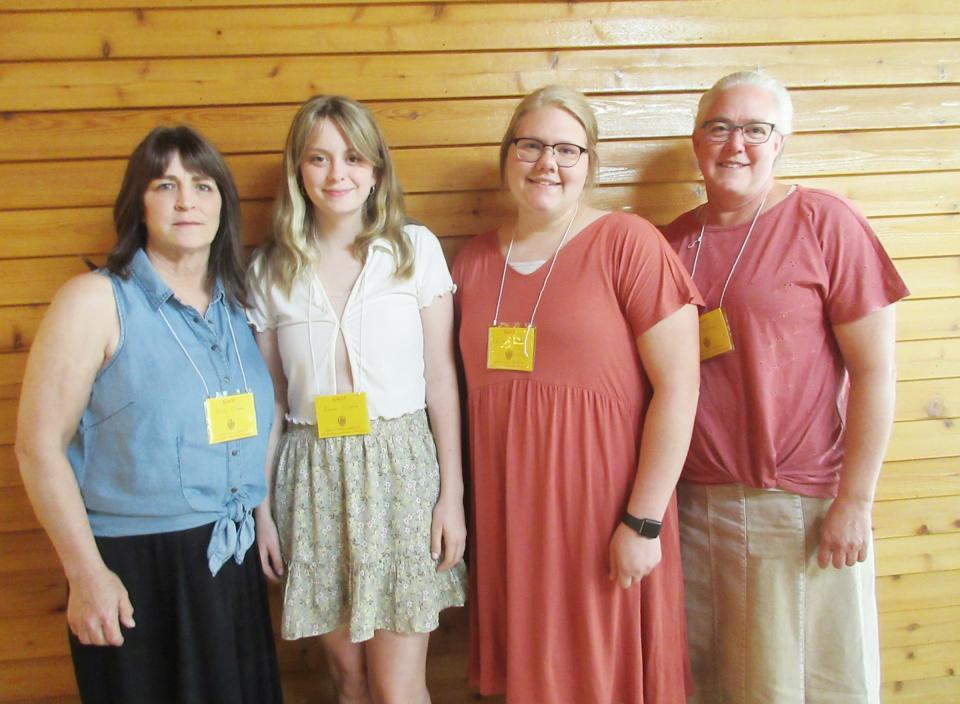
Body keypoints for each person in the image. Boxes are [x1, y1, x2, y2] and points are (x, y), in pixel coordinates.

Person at [663, 71, 909, 704]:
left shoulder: (823, 221)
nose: (734, 144)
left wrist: (855, 500)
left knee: (801, 682)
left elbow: (876, 370)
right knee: (714, 680)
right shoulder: (671, 242)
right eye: (719, 127)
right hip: (693, 506)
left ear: (780, 143)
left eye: (754, 129)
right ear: (697, 142)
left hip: (798, 507)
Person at [15, 126, 282, 703]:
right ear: (138, 204)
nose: (187, 200)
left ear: (223, 206)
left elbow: (257, 425)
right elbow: (38, 447)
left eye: (203, 186)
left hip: (228, 563)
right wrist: (86, 574)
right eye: (166, 184)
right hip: (138, 573)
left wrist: (261, 518)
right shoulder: (95, 300)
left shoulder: (237, 309)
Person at [453, 85, 701, 704]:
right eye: (532, 145)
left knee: (602, 676)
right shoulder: (472, 262)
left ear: (590, 163)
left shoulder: (628, 242)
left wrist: (641, 521)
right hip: (510, 518)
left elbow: (680, 387)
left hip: (604, 516)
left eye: (568, 149)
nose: (548, 163)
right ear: (507, 153)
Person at [247, 94, 467, 704]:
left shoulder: (413, 250)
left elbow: (442, 380)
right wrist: (263, 509)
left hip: (401, 473)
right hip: (311, 477)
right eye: (318, 158)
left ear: (376, 168)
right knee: (347, 680)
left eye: (352, 157)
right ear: (298, 170)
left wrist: (452, 496)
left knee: (398, 688)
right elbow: (271, 399)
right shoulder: (269, 270)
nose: (337, 174)